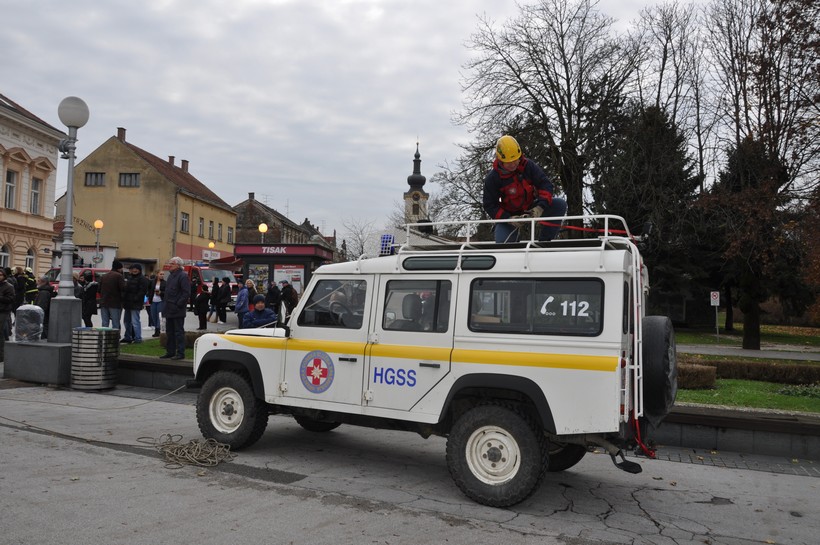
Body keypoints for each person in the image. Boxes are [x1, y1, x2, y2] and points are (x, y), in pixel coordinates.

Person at [483, 135, 567, 243]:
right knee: (503, 245)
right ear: (500, 160)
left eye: (515, 160)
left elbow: (545, 185)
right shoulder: (493, 178)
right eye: (509, 162)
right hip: (509, 216)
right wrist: (508, 219)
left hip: (531, 209)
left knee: (559, 204)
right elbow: (489, 204)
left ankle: (545, 243)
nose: (513, 164)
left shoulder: (528, 166)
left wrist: (539, 208)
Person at [160, 256, 190, 360]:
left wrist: (178, 304)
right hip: (169, 309)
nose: (170, 265)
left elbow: (186, 293)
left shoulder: (182, 276)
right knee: (170, 332)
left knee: (178, 332)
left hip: (177, 309)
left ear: (177, 265)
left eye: (172, 264)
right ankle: (170, 352)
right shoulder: (171, 276)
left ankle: (180, 353)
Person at [122, 264, 150, 344]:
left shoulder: (143, 279)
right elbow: (126, 289)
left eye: (136, 269)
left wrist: (135, 298)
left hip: (136, 303)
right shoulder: (129, 278)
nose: (134, 270)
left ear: (139, 270)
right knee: (126, 321)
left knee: (135, 321)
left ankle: (138, 338)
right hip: (127, 303)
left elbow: (142, 291)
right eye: (133, 269)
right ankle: (128, 337)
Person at [99, 260, 126, 331]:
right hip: (115, 303)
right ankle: (115, 338)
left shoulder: (104, 276)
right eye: (121, 268)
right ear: (119, 268)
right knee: (115, 323)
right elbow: (123, 288)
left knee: (105, 323)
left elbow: (99, 289)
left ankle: (105, 338)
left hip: (104, 302)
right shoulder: (119, 276)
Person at [0, 269, 15, 360]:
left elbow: (10, 299)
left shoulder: (9, 286)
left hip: (3, 311)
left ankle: (1, 355)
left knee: (0, 332)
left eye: (1, 275)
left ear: (4, 276)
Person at [149, 271, 166, 337]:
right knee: (153, 316)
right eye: (160, 274)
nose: (162, 275)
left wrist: (161, 293)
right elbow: (149, 289)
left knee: (159, 316)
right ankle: (156, 327)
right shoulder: (153, 282)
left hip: (160, 301)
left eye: (163, 274)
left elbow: (167, 292)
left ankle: (158, 330)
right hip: (153, 301)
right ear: (157, 274)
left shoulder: (165, 283)